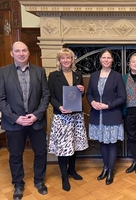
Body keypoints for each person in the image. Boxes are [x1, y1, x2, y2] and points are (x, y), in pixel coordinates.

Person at [0, 41, 50, 200]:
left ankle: (39, 181)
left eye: (24, 50)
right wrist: (16, 118)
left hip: (36, 121)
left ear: (28, 52)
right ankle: (18, 184)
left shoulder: (39, 71)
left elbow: (45, 96)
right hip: (14, 123)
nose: (21, 53)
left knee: (40, 152)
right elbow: (0, 99)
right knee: (15, 155)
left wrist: (37, 115)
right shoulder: (3, 72)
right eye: (17, 51)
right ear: (12, 53)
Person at [47, 48, 89, 191]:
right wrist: (59, 107)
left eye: (68, 58)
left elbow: (80, 96)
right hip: (61, 116)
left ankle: (72, 170)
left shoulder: (78, 75)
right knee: (63, 147)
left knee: (74, 144)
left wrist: (83, 91)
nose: (66, 60)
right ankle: (64, 176)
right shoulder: (53, 76)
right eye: (63, 58)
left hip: (76, 116)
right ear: (59, 60)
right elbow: (50, 96)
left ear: (72, 60)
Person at [86, 49, 126, 185]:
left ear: (112, 60)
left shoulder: (117, 76)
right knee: (102, 142)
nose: (106, 60)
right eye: (104, 57)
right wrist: (92, 102)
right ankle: (105, 167)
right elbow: (89, 94)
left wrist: (108, 106)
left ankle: (110, 170)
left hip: (112, 114)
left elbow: (122, 98)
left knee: (112, 143)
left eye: (109, 57)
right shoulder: (94, 75)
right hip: (97, 115)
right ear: (100, 59)